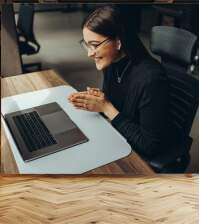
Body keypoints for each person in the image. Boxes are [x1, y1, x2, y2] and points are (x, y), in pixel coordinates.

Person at [68, 6, 189, 172]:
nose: (89, 53)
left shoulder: (151, 79)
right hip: (121, 137)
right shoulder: (112, 63)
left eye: (95, 45)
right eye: (86, 45)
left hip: (141, 153)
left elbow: (149, 146)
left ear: (118, 41)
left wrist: (107, 108)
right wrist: (100, 100)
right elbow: (119, 102)